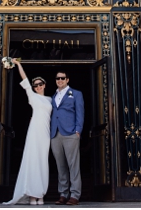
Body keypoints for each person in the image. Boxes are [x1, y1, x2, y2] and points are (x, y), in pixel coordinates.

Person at [5, 61, 53, 205]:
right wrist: (18, 64)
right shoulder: (32, 96)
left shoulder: (50, 99)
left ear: (44, 85)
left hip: (45, 133)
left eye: (40, 84)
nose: (38, 87)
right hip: (34, 132)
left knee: (43, 162)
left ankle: (41, 194)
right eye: (35, 85)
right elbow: (24, 79)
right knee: (32, 161)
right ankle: (32, 194)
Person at [50, 70, 84, 205]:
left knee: (73, 165)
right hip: (55, 134)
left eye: (62, 78)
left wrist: (78, 130)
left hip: (70, 133)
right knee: (60, 166)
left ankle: (75, 194)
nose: (60, 80)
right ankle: (63, 194)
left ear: (67, 80)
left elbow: (80, 113)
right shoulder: (53, 96)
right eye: (57, 78)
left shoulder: (76, 94)